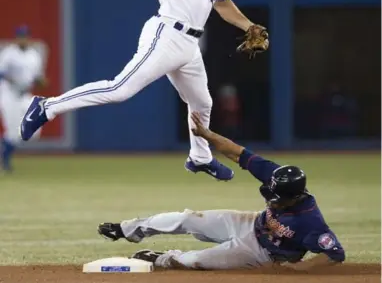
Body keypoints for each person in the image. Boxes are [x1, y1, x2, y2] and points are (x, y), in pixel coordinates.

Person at [19, 0, 269, 181]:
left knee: (202, 103)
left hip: (191, 44)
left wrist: (249, 26)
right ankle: (47, 106)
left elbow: (222, 4)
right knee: (120, 89)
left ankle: (200, 157)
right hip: (167, 34)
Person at [98, 112, 345, 271]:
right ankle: (126, 228)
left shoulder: (311, 221)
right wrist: (207, 135)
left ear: (295, 197)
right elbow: (237, 152)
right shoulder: (276, 175)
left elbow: (335, 255)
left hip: (263, 254)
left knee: (195, 261)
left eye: (277, 199)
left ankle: (161, 258)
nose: (272, 201)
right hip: (250, 223)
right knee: (189, 218)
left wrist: (298, 269)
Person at [0, 26, 47, 172]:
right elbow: (1, 72)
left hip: (25, 94)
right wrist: (12, 79)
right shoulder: (8, 53)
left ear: (28, 38)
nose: (22, 39)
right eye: (20, 36)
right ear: (16, 38)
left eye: (25, 36)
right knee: (13, 133)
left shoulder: (34, 55)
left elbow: (37, 78)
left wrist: (41, 81)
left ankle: (4, 146)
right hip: (8, 94)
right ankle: (6, 160)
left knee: (35, 129)